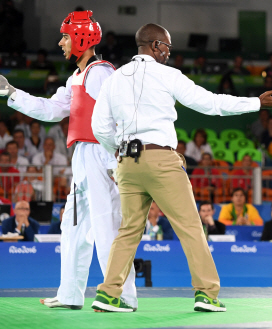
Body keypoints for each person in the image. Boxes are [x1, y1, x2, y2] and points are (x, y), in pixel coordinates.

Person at [90, 23, 272, 312]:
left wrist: (117, 153)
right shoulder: (168, 75)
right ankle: (206, 293)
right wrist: (255, 103)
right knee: (191, 227)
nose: (169, 53)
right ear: (155, 46)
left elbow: (99, 128)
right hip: (161, 160)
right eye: (167, 47)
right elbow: (210, 103)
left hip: (126, 162)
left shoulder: (114, 79)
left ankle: (107, 293)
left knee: (129, 229)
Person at [0, 10, 138, 311]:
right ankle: (70, 294)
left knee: (107, 227)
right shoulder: (78, 76)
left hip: (103, 155)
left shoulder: (100, 72)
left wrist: (120, 160)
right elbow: (51, 109)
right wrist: (11, 93)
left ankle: (123, 295)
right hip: (83, 159)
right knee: (72, 227)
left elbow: (121, 115)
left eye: (65, 36)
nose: (61, 42)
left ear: (81, 38)